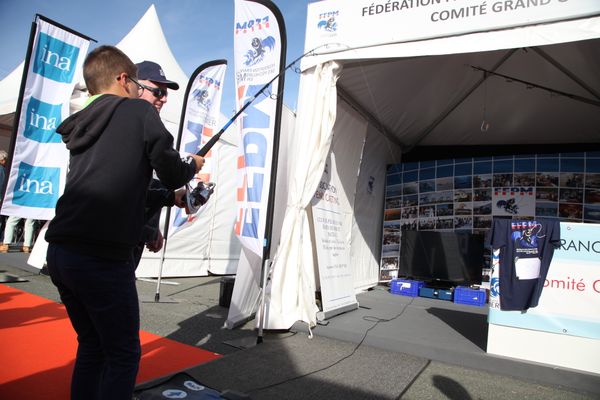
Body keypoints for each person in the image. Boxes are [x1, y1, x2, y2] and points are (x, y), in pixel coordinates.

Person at [44, 45, 204, 400]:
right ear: (123, 80)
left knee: (92, 347)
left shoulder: (83, 122)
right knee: (123, 354)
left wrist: (167, 196)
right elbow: (171, 168)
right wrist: (191, 165)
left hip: (61, 253)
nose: (157, 98)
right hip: (102, 258)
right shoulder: (135, 111)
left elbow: (118, 185)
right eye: (148, 88)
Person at [132, 60, 186, 266]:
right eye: (157, 92)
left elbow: (144, 188)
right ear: (136, 88)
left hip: (132, 237)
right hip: (110, 243)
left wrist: (152, 228)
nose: (163, 99)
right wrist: (191, 167)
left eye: (165, 93)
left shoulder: (145, 126)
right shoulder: (131, 126)